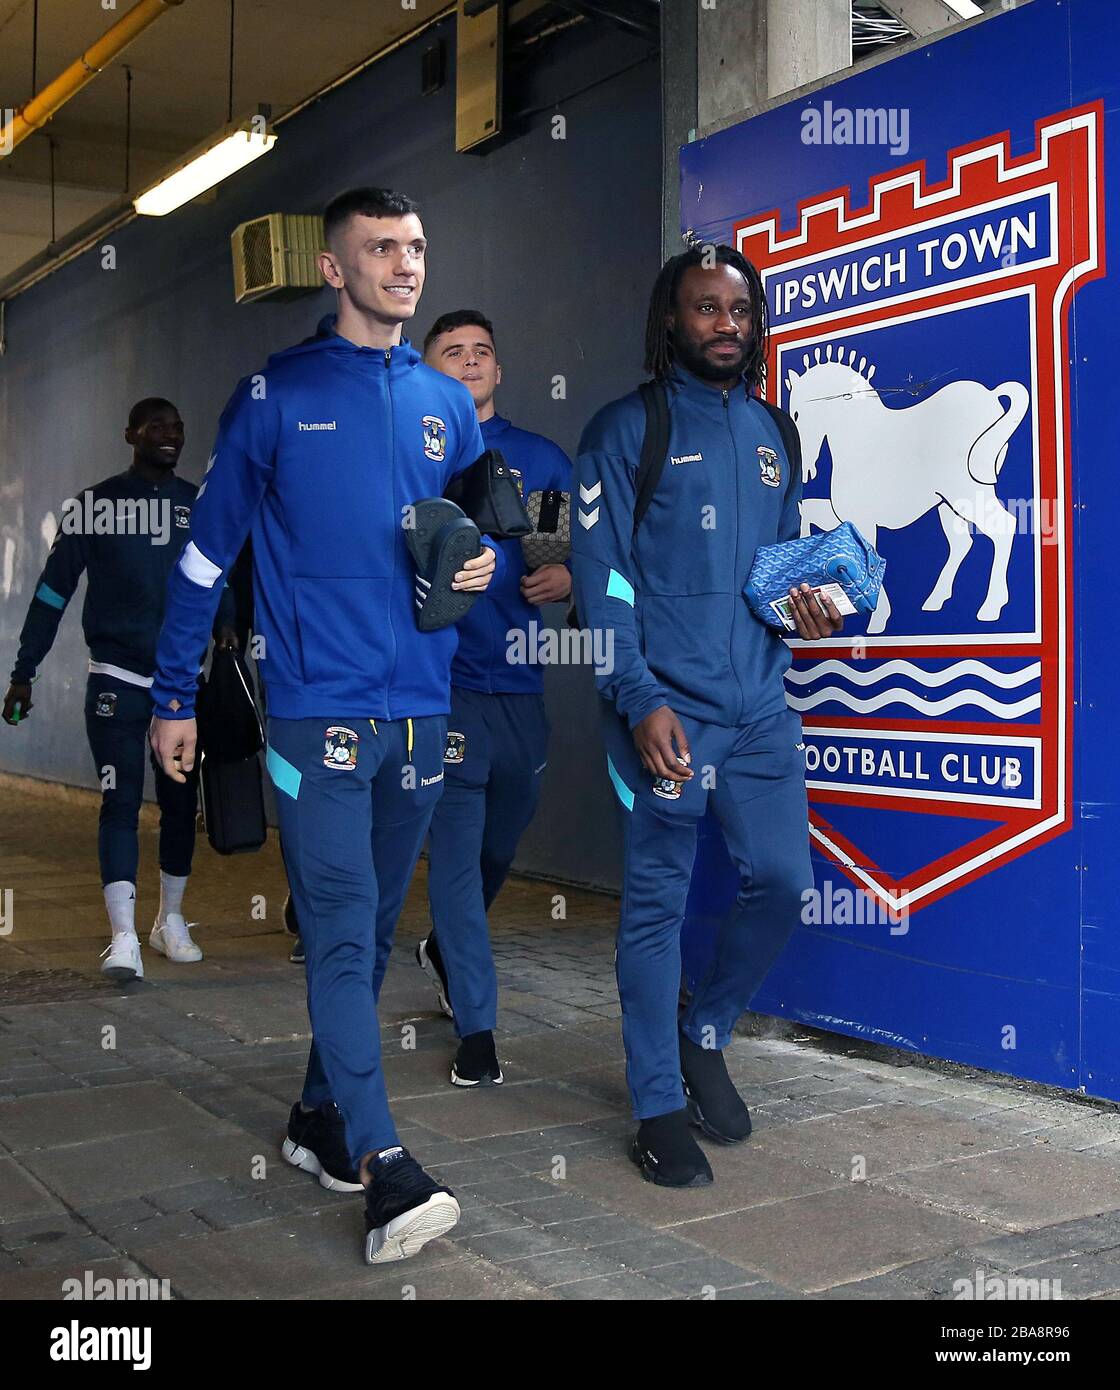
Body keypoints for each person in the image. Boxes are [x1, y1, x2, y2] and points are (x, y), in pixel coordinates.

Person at [148, 187, 500, 1264]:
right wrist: (172, 698)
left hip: (420, 718)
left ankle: (313, 1118)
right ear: (333, 267)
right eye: (382, 247)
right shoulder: (272, 396)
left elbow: (472, 540)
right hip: (316, 719)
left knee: (369, 934)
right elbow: (207, 556)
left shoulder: (448, 404)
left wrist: (479, 568)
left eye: (417, 244)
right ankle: (388, 1171)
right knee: (344, 932)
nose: (406, 263)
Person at [570, 246, 843, 1188]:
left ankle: (704, 1030)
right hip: (664, 712)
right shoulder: (624, 428)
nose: (725, 323)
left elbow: (774, 563)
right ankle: (653, 1104)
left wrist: (801, 598)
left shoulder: (776, 430)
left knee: (783, 879)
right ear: (671, 322)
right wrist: (639, 698)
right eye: (704, 308)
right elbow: (603, 586)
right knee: (657, 905)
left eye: (739, 309)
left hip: (761, 708)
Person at [2, 398, 237, 981]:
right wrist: (24, 671)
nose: (170, 434)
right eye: (157, 425)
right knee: (121, 801)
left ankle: (170, 921)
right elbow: (54, 591)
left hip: (180, 687)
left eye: (178, 426)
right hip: (116, 678)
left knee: (183, 803)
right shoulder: (96, 506)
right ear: (130, 433)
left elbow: (219, 573)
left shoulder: (195, 505)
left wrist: (229, 621)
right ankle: (123, 935)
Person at [418, 309, 572, 1086]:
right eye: (454, 351)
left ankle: (449, 941)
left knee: (497, 847)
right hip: (439, 687)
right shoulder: (409, 454)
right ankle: (477, 1029)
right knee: (452, 855)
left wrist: (564, 577)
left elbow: (550, 559)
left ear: (499, 370)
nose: (471, 360)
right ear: (428, 369)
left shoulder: (539, 459)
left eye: (483, 350)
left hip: (518, 682)